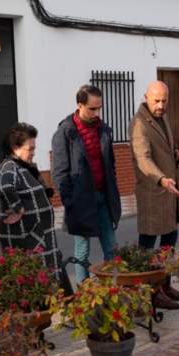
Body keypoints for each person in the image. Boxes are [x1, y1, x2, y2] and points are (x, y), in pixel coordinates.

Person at [51, 85, 121, 283]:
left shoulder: (103, 129)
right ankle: (85, 297)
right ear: (79, 105)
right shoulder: (65, 133)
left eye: (99, 108)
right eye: (92, 109)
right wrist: (70, 201)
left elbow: (111, 164)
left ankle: (112, 292)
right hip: (81, 201)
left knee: (111, 248)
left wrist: (111, 189)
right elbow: (58, 173)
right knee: (82, 252)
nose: (96, 113)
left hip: (104, 197)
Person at [128, 81, 179, 310]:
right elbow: (144, 159)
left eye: (164, 100)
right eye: (156, 100)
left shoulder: (161, 118)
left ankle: (164, 286)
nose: (161, 105)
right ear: (146, 97)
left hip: (168, 192)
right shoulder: (138, 124)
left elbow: (164, 148)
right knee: (147, 245)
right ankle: (148, 294)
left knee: (169, 241)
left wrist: (176, 154)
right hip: (153, 192)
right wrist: (162, 179)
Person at [0, 123, 61, 282]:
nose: (33, 153)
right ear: (15, 148)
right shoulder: (9, 166)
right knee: (30, 282)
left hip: (37, 233)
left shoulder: (24, 166)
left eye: (34, 148)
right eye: (30, 149)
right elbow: (6, 187)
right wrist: (19, 209)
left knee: (43, 282)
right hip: (26, 236)